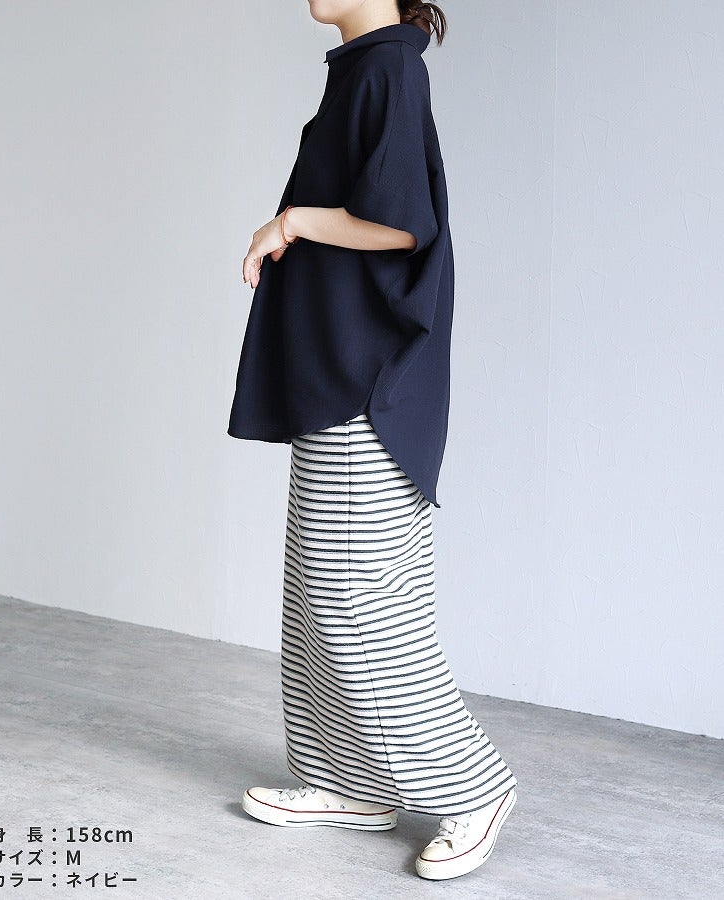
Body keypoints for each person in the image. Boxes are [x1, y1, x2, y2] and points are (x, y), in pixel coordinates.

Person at [228, 0, 518, 883]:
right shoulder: (364, 69)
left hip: (369, 382)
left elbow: (402, 223)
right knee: (316, 593)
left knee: (357, 597)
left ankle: (474, 787)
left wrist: (292, 222)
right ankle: (350, 782)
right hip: (336, 370)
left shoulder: (390, 69)